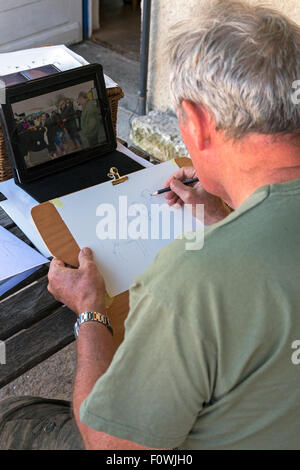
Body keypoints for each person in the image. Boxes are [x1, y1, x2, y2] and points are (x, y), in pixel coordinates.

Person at [1, 0, 300, 450]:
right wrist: (226, 218)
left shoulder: (194, 279)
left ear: (197, 124)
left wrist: (90, 311)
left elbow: (113, 447)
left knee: (12, 414)